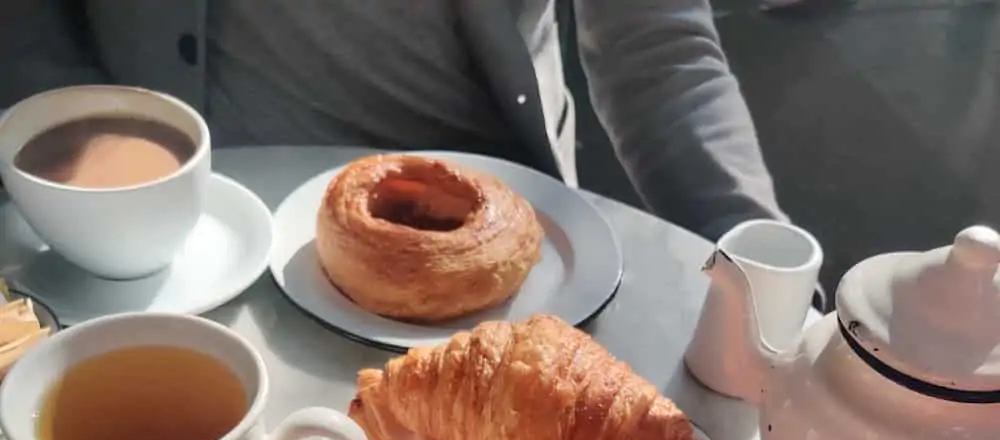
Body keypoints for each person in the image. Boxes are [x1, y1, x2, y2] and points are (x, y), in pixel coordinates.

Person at [4, 0, 781, 241]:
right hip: (181, 224)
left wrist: (765, 275)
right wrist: (72, 137)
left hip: (484, 238)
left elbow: (658, 55)